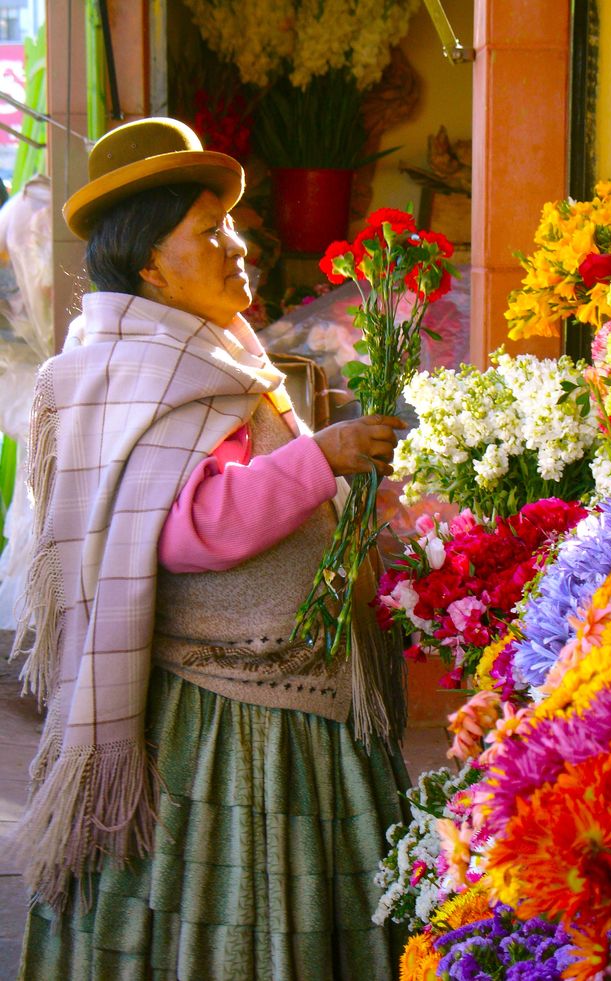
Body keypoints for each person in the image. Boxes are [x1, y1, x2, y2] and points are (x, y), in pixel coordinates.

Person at [12, 117, 409, 980]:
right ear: (151, 263)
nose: (239, 247)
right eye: (209, 232)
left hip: (279, 677)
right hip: (221, 712)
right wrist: (324, 456)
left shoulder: (201, 351)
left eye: (234, 227)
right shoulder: (144, 368)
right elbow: (190, 529)